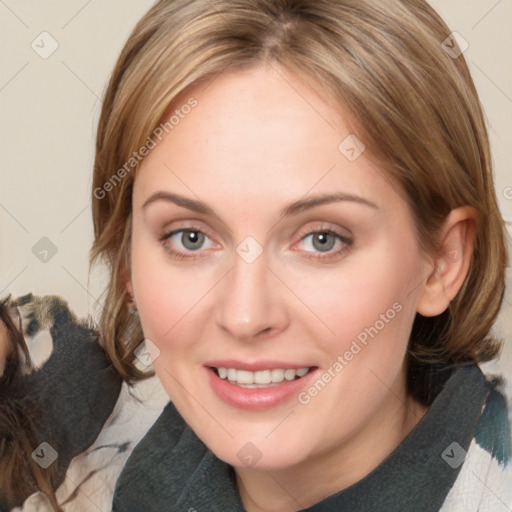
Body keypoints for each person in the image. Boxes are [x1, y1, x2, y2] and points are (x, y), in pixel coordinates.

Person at [8, 0, 510, 510]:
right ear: (127, 261)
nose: (246, 316)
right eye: (190, 238)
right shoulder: (66, 461)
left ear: (443, 261)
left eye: (322, 239)